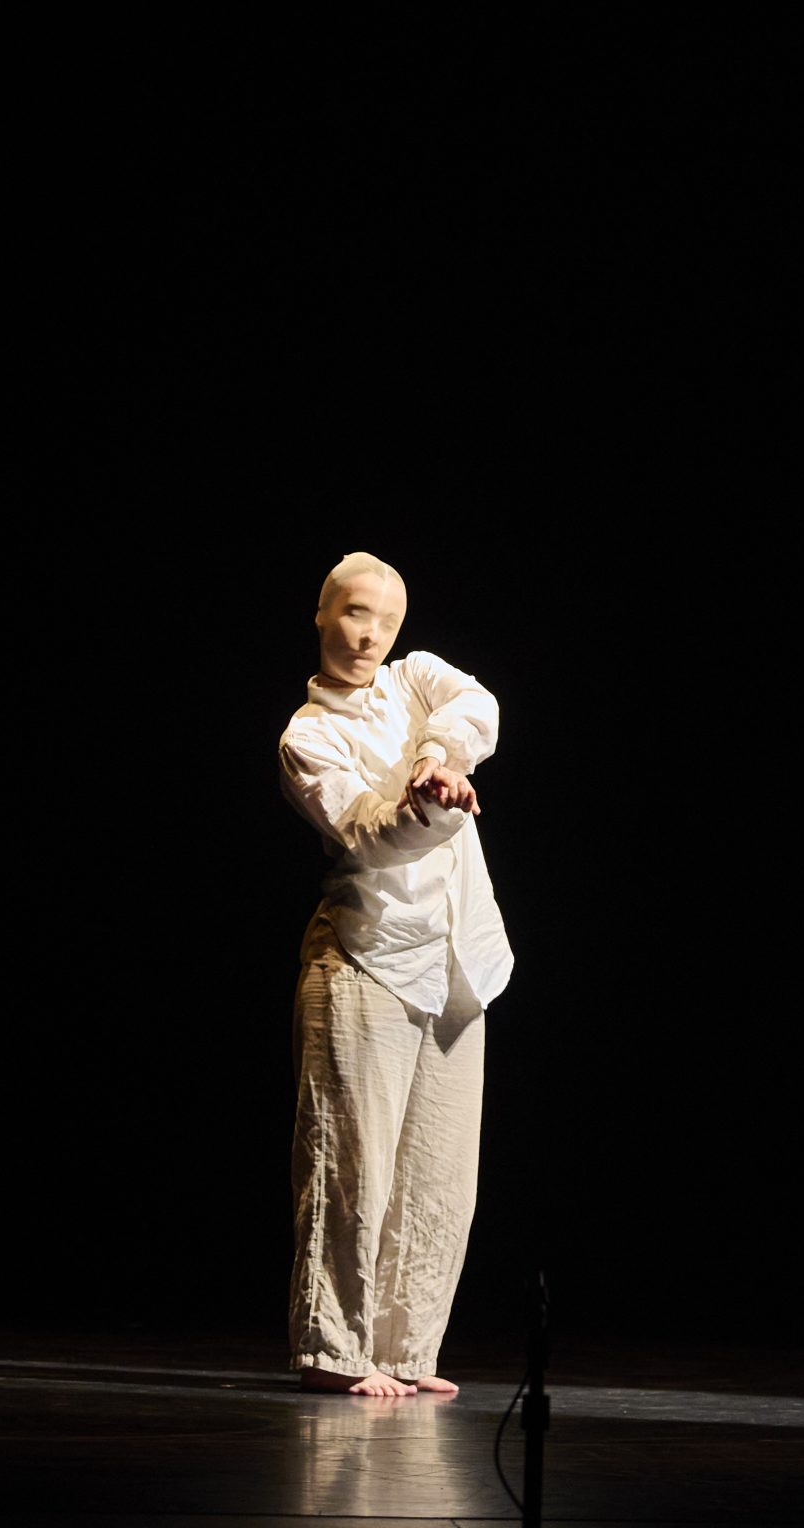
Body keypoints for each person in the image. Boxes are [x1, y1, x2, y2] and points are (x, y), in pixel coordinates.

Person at [276, 551, 513, 1399]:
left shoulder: (415, 680)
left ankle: (407, 1349)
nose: (367, 632)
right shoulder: (308, 735)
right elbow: (365, 834)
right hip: (365, 957)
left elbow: (475, 703)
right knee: (354, 1162)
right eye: (351, 612)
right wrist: (427, 803)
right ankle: (333, 1350)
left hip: (457, 959)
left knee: (439, 1168)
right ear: (321, 614)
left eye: (382, 617)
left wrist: (443, 753)